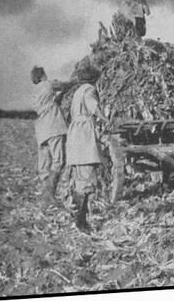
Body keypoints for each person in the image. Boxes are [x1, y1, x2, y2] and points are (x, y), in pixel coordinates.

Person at [66, 64, 109, 233]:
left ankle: (77, 215)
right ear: (94, 78)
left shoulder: (77, 92)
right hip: (84, 133)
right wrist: (105, 120)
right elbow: (94, 108)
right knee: (88, 177)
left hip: (75, 132)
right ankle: (81, 220)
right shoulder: (90, 90)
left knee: (80, 177)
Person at [30, 66, 73, 208]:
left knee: (44, 164)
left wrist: (56, 98)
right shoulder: (48, 84)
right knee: (58, 160)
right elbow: (64, 85)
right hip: (53, 126)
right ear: (43, 75)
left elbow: (47, 102)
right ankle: (50, 195)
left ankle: (44, 197)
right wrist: (76, 82)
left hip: (41, 129)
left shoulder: (35, 92)